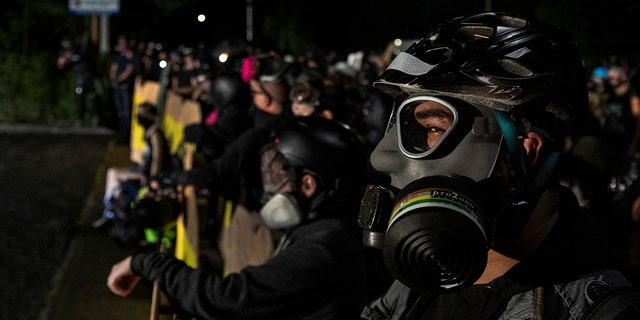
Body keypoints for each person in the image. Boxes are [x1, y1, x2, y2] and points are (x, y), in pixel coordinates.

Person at [357, 12, 640, 320]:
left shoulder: (601, 311)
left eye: (434, 128)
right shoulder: (429, 272)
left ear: (527, 152)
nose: (381, 157)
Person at [107, 116, 370, 319]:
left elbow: (225, 300)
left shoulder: (324, 249)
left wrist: (145, 264)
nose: (269, 189)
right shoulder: (326, 234)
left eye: (277, 177)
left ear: (309, 185)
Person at [94, 102, 173, 237]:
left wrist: (152, 180)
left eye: (143, 113)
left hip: (151, 175)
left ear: (151, 115)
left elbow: (157, 159)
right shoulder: (148, 133)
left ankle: (111, 211)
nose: (139, 116)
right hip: (143, 171)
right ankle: (110, 209)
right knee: (113, 174)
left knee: (114, 175)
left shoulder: (155, 134)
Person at [57, 37, 100, 126]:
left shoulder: (81, 50)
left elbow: (77, 58)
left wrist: (67, 59)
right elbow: (65, 66)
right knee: (79, 98)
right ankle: (79, 119)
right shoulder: (67, 54)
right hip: (79, 79)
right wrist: (62, 64)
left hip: (88, 77)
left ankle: (95, 117)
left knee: (93, 97)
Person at [109, 35, 136, 143]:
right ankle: (120, 131)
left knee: (126, 110)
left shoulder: (129, 55)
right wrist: (113, 79)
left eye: (123, 43)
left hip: (125, 86)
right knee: (119, 110)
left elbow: (129, 70)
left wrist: (119, 79)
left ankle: (126, 132)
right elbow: (113, 68)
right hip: (117, 87)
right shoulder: (118, 56)